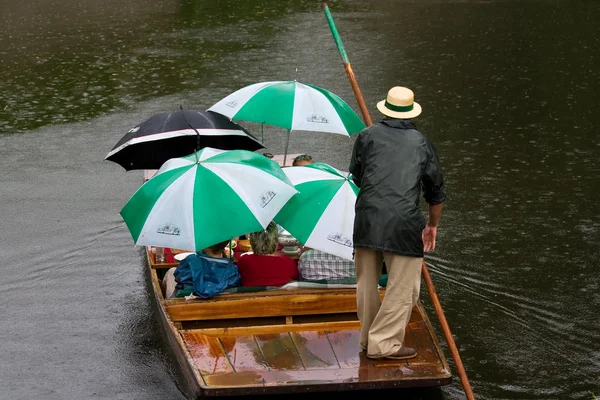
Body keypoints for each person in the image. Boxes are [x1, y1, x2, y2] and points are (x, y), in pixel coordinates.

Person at [349, 86, 445, 360]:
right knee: (403, 288)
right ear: (411, 112)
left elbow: (357, 176)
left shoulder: (367, 136)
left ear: (386, 109)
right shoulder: (421, 143)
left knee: (366, 284)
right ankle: (385, 344)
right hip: (403, 222)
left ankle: (369, 340)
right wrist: (432, 225)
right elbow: (435, 192)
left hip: (366, 218)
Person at [163, 239, 240, 299]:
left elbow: (178, 278)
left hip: (187, 307)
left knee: (170, 272)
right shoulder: (233, 270)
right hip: (221, 308)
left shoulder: (190, 261)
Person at [236, 221, 299, 287]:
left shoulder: (244, 261)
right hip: (282, 296)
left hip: (252, 297)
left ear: (252, 241)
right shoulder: (289, 263)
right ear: (276, 241)